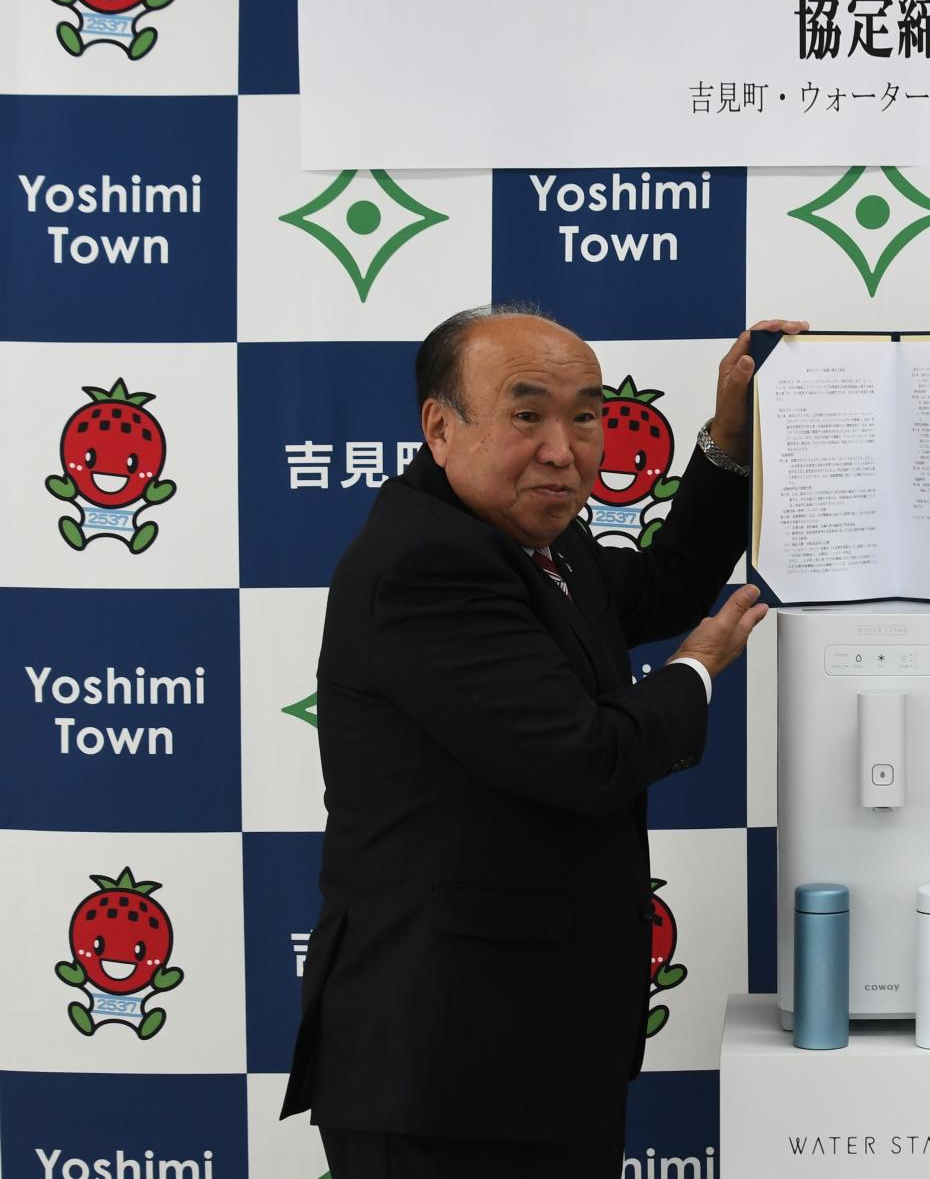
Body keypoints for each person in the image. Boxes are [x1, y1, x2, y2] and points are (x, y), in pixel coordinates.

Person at [281, 304, 804, 1178]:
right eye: (527, 414)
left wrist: (727, 435)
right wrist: (699, 666)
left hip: (535, 1052)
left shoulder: (537, 545)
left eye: (586, 416)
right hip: (447, 1072)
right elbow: (588, 758)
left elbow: (670, 581)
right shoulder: (425, 565)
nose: (563, 449)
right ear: (440, 428)